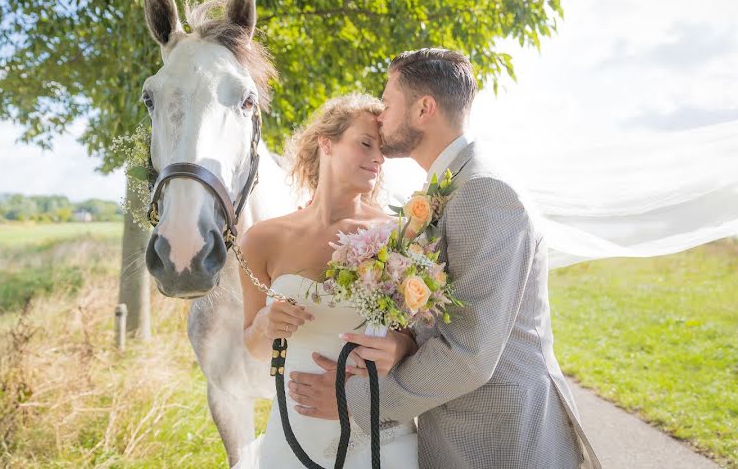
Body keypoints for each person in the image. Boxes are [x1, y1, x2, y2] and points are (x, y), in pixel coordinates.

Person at [288, 48, 602, 469]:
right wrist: (405, 340)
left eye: (388, 99)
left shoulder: (483, 191)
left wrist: (355, 401)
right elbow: (445, 313)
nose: (380, 115)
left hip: (497, 440)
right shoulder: (451, 185)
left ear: (424, 108)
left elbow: (470, 352)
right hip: (460, 430)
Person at [232, 93, 420, 468]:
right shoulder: (262, 239)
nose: (377, 158)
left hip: (376, 430)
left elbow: (417, 342)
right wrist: (266, 325)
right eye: (365, 143)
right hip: (292, 434)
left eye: (382, 151)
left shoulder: (397, 235)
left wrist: (399, 346)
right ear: (326, 143)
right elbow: (252, 346)